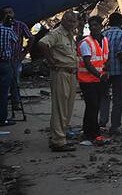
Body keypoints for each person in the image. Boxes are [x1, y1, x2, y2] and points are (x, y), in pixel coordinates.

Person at [37, 11, 79, 152]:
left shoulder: (69, 36)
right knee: (61, 108)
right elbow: (42, 44)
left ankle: (58, 136)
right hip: (61, 73)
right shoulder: (57, 34)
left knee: (66, 107)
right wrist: (51, 61)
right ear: (64, 21)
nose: (73, 24)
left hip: (70, 74)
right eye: (70, 21)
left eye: (74, 22)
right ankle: (59, 141)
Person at [77, 16, 109, 145]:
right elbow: (87, 63)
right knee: (93, 105)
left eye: (96, 25)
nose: (93, 28)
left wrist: (106, 70)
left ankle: (87, 131)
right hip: (87, 80)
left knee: (92, 107)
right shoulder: (86, 43)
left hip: (98, 79)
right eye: (91, 26)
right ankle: (95, 133)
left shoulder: (105, 40)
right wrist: (99, 75)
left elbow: (105, 58)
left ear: (101, 26)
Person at [100, 13, 122, 135]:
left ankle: (102, 122)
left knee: (104, 97)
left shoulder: (103, 34)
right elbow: (120, 53)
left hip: (104, 71)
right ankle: (115, 126)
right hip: (118, 71)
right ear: (121, 22)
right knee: (118, 99)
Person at [3, 6, 33, 117]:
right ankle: (3, 104)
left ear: (14, 13)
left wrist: (24, 53)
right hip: (3, 60)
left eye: (10, 12)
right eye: (6, 13)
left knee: (15, 82)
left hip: (15, 59)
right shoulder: (1, 27)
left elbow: (30, 37)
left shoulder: (20, 25)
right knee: (3, 82)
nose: (8, 15)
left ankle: (15, 103)